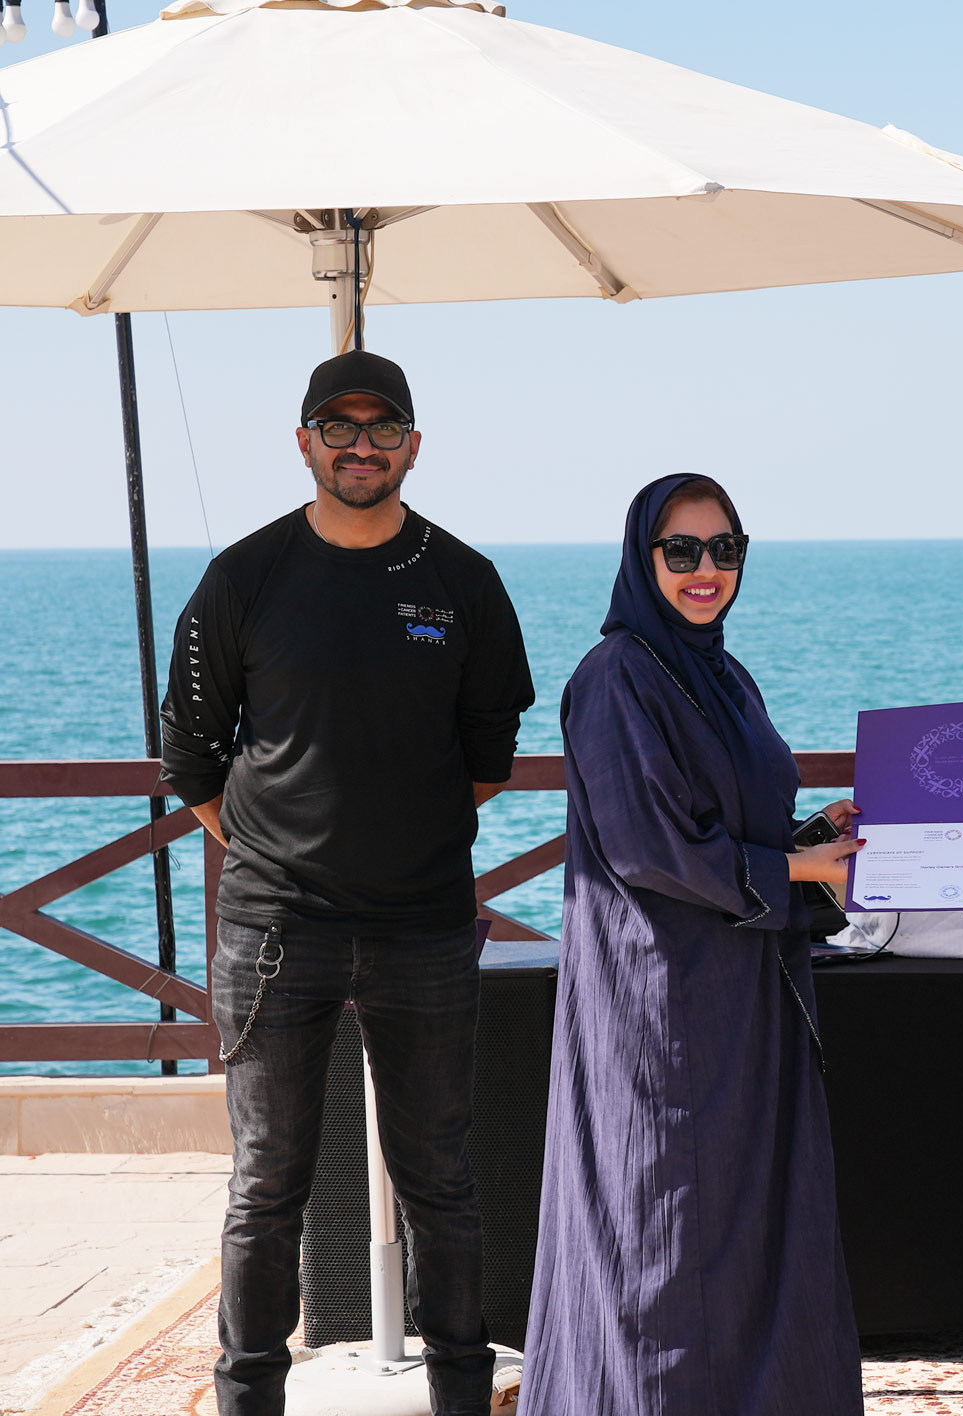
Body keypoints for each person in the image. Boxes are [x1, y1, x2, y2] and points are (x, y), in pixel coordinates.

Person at [159, 350, 535, 1416]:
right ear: (304, 442)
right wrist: (281, 852)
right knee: (266, 1185)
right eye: (339, 427)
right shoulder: (244, 577)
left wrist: (398, 840)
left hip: (424, 926)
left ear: (413, 446)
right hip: (276, 931)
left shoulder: (463, 581)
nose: (361, 446)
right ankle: (248, 1398)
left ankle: (460, 1396)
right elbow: (191, 757)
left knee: (442, 1184)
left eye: (383, 428)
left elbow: (489, 756)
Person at [518, 474, 865, 1416]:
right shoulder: (615, 676)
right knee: (666, 1239)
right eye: (681, 550)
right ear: (644, 559)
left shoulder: (723, 673)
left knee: (756, 1230)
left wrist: (813, 837)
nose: (705, 569)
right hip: (663, 1010)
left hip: (745, 997)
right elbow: (648, 844)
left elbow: (728, 824)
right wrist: (798, 869)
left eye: (725, 549)